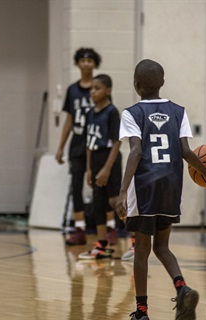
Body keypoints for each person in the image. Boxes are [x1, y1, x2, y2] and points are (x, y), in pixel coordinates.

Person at [116, 59, 206, 320]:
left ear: (135, 84)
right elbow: (187, 152)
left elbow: (136, 151)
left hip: (144, 187)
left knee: (141, 250)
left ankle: (141, 312)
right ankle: (182, 287)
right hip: (171, 186)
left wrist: (121, 192)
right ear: (162, 82)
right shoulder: (179, 111)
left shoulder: (132, 113)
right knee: (162, 247)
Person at [56, 48, 101, 245]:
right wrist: (60, 146)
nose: (86, 63)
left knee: (100, 186)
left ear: (94, 64)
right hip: (77, 145)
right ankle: (79, 229)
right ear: (77, 63)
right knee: (76, 186)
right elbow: (69, 119)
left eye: (89, 60)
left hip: (96, 143)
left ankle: (106, 228)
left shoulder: (100, 87)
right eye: (82, 60)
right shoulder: (72, 90)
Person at [78, 74, 122, 259]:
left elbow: (117, 142)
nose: (93, 92)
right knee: (98, 204)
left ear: (108, 91)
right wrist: (89, 168)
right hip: (95, 158)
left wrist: (106, 168)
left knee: (114, 202)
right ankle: (102, 245)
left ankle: (136, 242)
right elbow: (88, 143)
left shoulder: (112, 112)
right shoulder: (89, 113)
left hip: (109, 158)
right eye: (91, 89)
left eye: (97, 88)